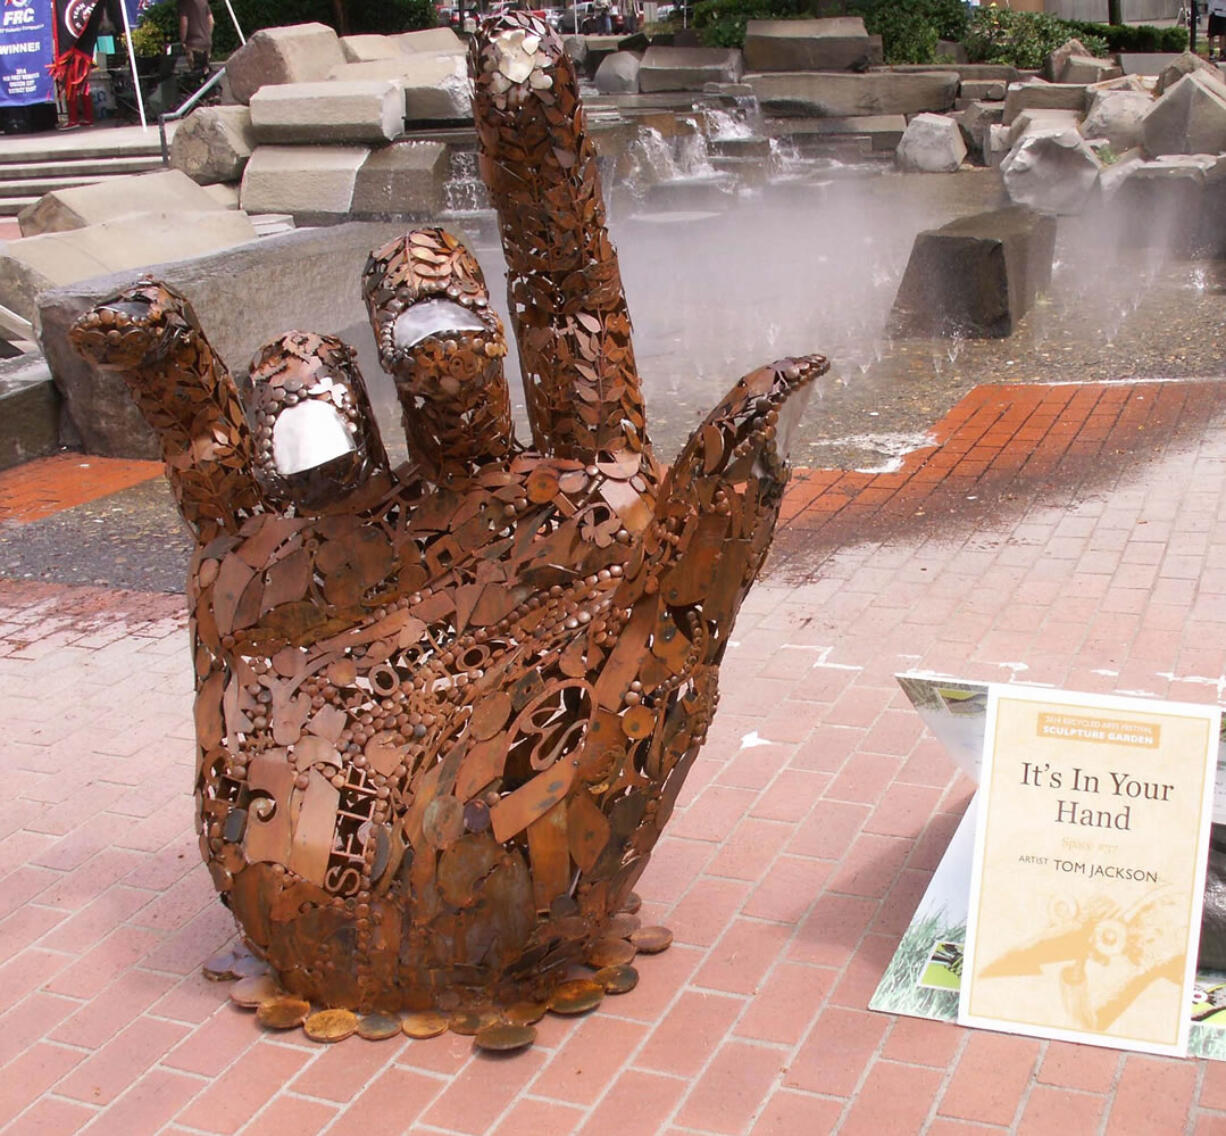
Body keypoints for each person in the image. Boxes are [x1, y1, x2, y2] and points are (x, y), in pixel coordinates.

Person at [177, 0, 214, 73]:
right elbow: (211, 21)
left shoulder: (184, 3)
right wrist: (207, 35)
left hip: (193, 43)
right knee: (205, 70)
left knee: (195, 73)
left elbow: (184, 23)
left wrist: (183, 40)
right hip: (206, 42)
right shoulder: (203, 1)